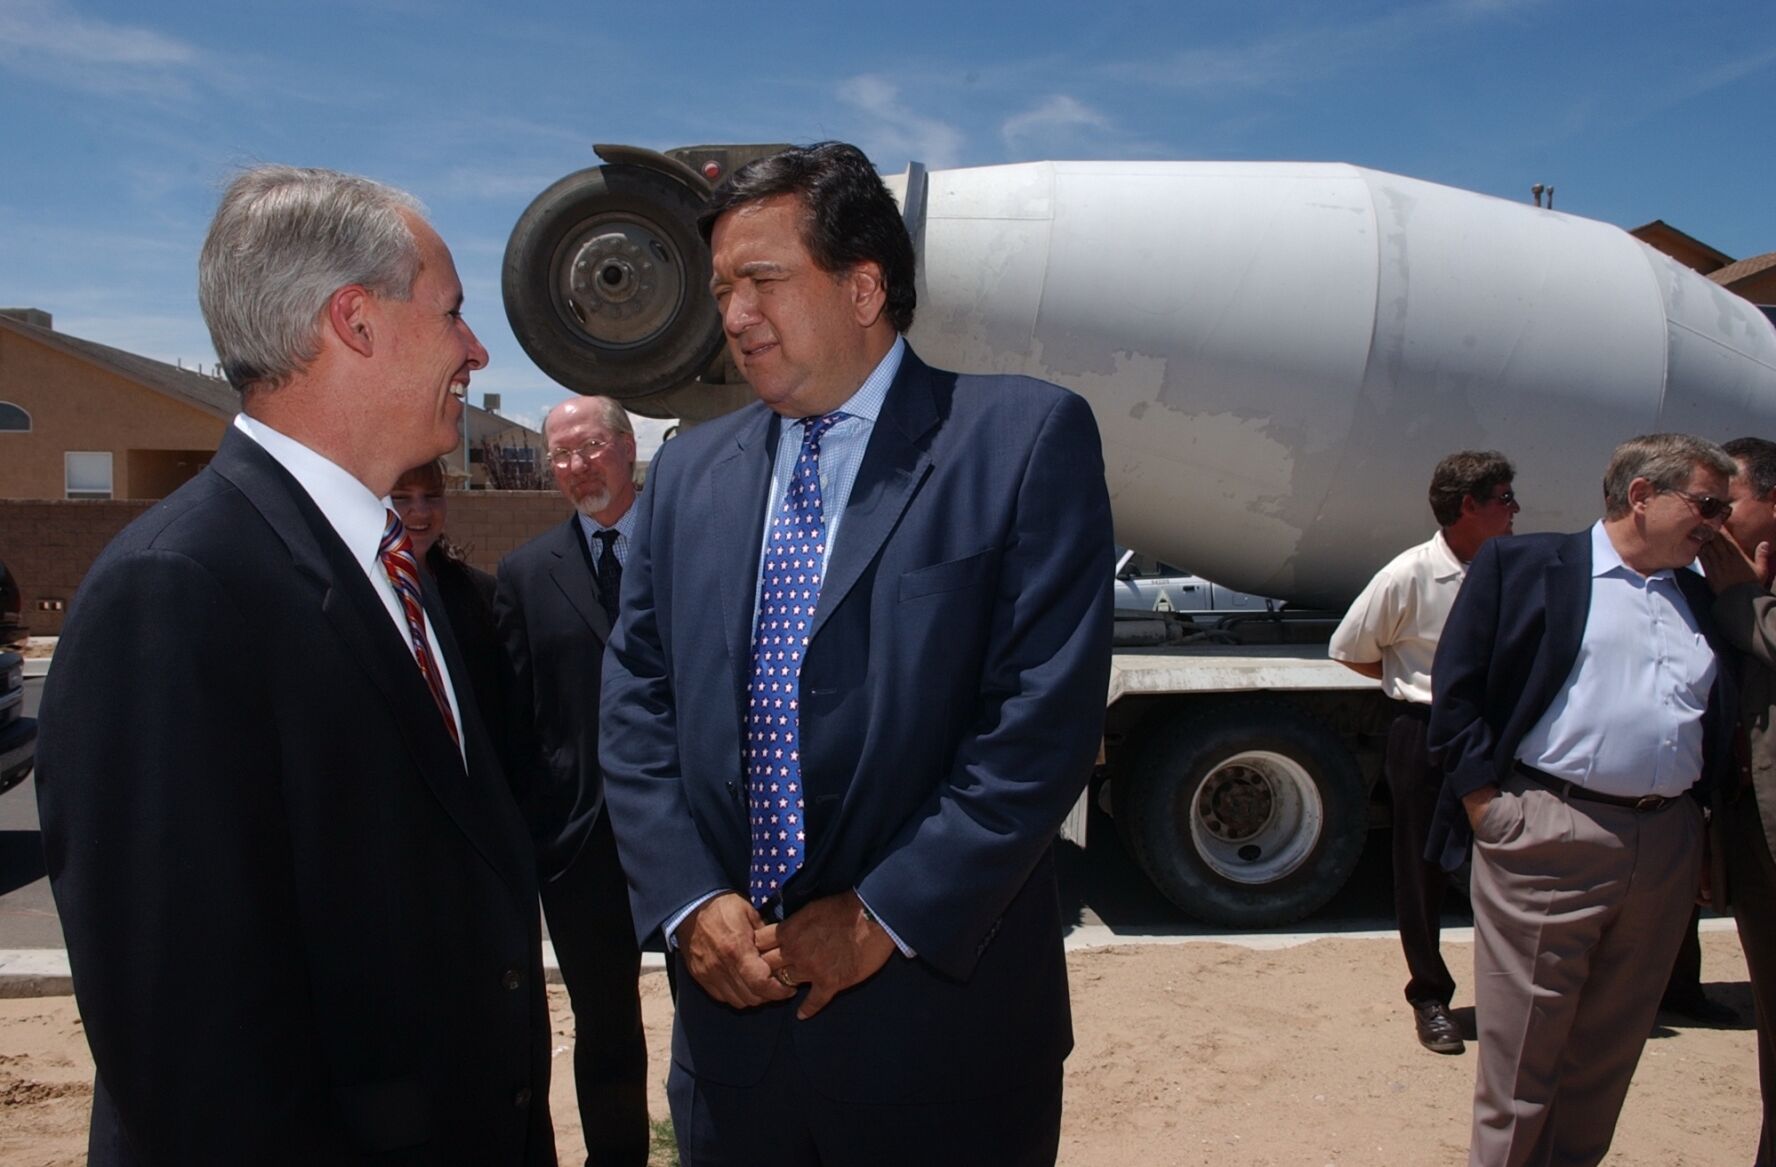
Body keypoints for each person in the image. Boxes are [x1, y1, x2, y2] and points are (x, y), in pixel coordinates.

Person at [599, 141, 1113, 1167]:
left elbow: (1040, 723)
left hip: (940, 1045)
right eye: (723, 290)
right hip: (734, 1057)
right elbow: (637, 701)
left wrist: (884, 912)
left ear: (865, 286)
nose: (734, 314)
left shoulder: (1019, 441)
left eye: (763, 280)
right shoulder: (688, 474)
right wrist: (689, 900)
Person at [36, 166, 553, 1165]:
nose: (476, 350)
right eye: (452, 312)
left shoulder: (395, 573)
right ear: (355, 321)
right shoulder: (175, 590)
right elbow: (192, 1050)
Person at [1428, 432, 1738, 1167]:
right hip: (1548, 832)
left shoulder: (1699, 595)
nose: (1718, 523)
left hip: (1664, 844)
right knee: (1522, 1063)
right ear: (1642, 495)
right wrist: (1488, 808)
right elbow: (1456, 693)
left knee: (1607, 1055)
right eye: (1707, 505)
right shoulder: (1526, 567)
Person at [495, 396, 650, 1166]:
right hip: (582, 848)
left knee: (725, 1007)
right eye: (560, 454)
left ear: (627, 447)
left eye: (589, 446)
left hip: (695, 830)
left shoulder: (695, 546)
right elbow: (517, 720)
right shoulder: (525, 576)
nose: (576, 466)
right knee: (606, 1025)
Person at [1329, 450, 1519, 1055]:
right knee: (1421, 867)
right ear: (1468, 506)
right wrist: (1410, 680)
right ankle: (1431, 997)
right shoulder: (1408, 574)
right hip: (1426, 731)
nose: (1515, 509)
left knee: (1514, 862)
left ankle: (1514, 994)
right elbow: (1351, 649)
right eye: (1503, 499)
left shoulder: (1514, 568)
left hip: (1496, 732)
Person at [1696, 434, 1776, 1166]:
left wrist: (1743, 601)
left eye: (1729, 502)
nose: (1715, 519)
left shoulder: (1737, 591)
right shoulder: (1721, 581)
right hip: (1753, 834)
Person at [393, 457, 507, 746]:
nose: (420, 510)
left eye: (432, 495)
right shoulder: (357, 597)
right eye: (401, 497)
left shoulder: (480, 593)